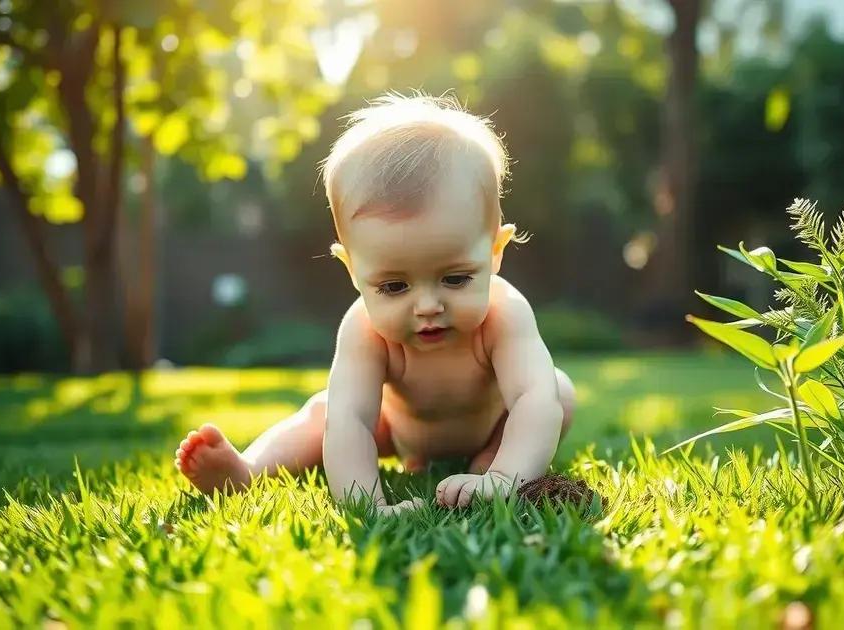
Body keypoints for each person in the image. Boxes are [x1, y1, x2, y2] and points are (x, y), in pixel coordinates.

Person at [174, 93, 576, 515]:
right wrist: (367, 505)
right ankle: (249, 469)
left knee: (556, 391)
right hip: (398, 432)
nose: (426, 306)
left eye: (455, 278)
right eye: (394, 287)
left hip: (495, 425)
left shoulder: (504, 313)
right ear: (352, 270)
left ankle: (490, 460)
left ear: (495, 251)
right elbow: (349, 420)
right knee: (323, 411)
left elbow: (531, 398)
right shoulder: (363, 329)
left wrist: (502, 478)